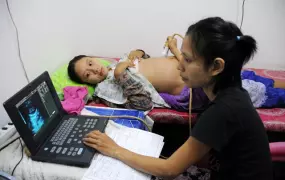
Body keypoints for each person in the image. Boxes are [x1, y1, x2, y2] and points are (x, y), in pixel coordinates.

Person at [82, 17, 273, 180]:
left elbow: (170, 170)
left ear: (216, 67)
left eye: (188, 60)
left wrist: (114, 149)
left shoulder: (222, 111)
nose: (180, 65)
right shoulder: (233, 94)